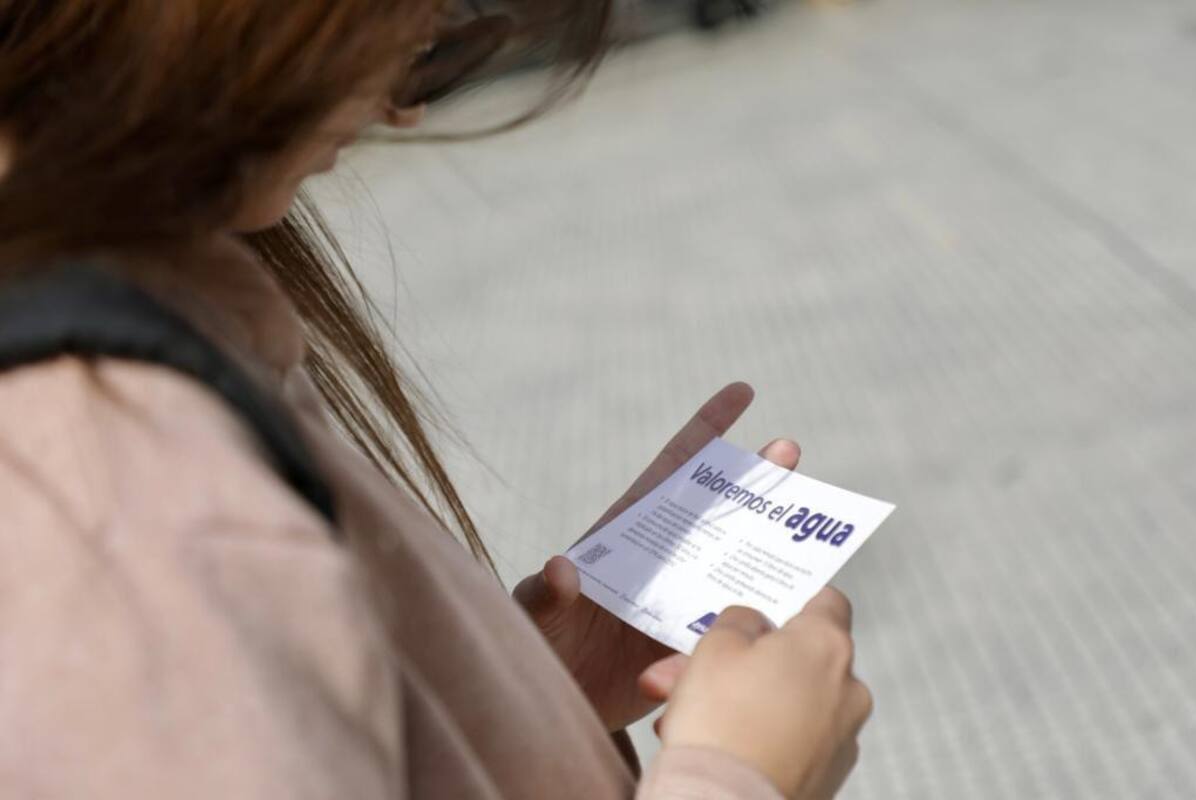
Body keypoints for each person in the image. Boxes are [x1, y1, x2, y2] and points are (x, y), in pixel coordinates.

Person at [0, 2, 872, 798]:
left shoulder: (137, 333)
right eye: (384, 29)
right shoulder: (109, 498)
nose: (403, 108)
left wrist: (521, 691)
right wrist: (741, 776)